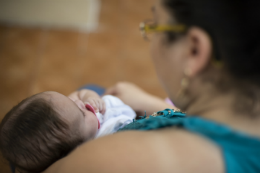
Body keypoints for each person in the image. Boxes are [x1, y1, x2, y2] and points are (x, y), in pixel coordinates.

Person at [10, 0, 260, 172]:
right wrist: (152, 103)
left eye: (154, 25)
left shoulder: (114, 159)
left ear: (194, 50)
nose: (150, 40)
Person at [0, 89, 136, 173]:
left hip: (115, 107)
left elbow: (80, 93)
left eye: (69, 99)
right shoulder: (104, 143)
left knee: (91, 87)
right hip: (132, 118)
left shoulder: (75, 116)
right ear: (79, 148)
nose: (80, 103)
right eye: (82, 113)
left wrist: (90, 95)